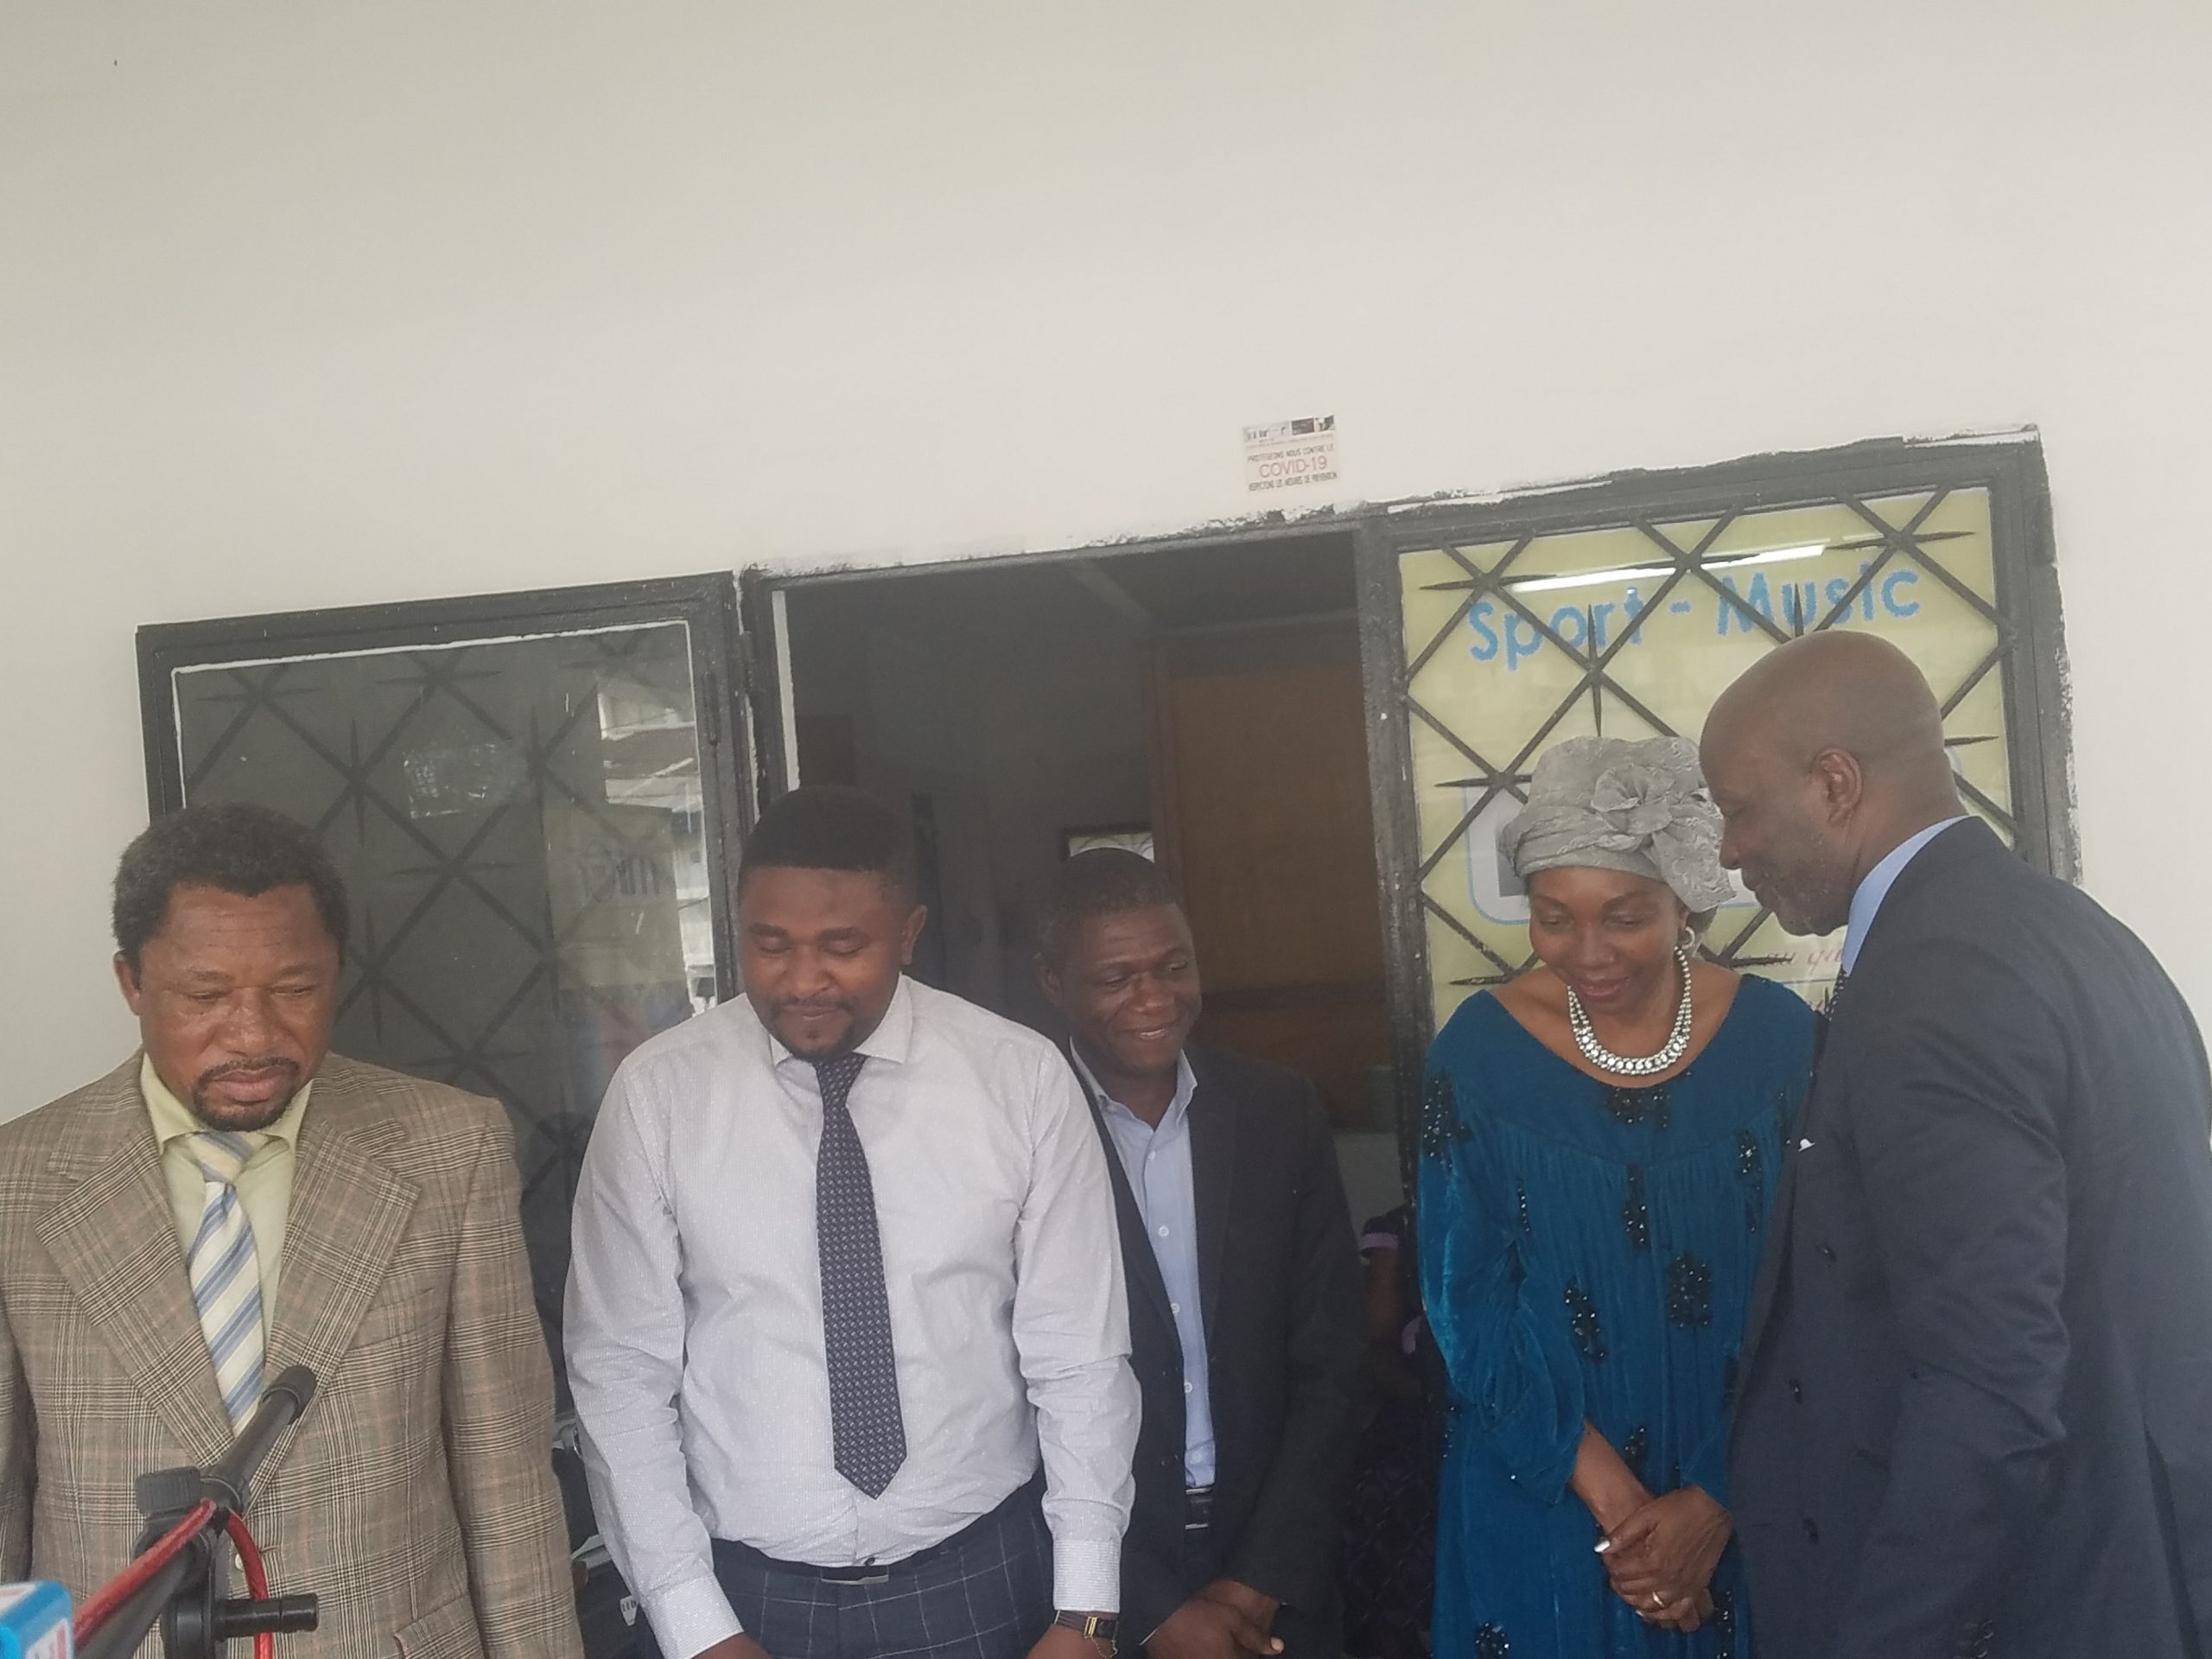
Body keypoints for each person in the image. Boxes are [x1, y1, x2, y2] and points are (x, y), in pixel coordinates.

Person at [1701, 631, 2212, 1659]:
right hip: (2137, 1569)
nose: (1727, 849)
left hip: (2032, 1602)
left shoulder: (1935, 982)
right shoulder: (2079, 934)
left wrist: (1890, 1634)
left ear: (1834, 783)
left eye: (1739, 807)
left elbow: (1990, 1377)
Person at [567, 786, 1138, 1659]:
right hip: (741, 1595)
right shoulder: (659, 1097)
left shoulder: (1018, 1081)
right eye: (770, 945)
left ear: (908, 934)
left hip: (979, 1578)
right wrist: (692, 1623)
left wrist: (1086, 1609)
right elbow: (620, 1373)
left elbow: (1080, 1356)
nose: (803, 981)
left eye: (842, 947)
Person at [0, 803, 582, 1659]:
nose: (254, 1034)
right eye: (206, 995)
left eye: (296, 990)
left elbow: (508, 1483)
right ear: (131, 982)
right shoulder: (17, 1185)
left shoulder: (449, 1152)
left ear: (337, 971)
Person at [1418, 736, 1819, 1659]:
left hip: (1753, 1481)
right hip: (1547, 1484)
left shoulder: (1779, 1042)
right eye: (1553, 919)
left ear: (1685, 905)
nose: (1589, 953)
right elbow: (1463, 1301)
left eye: (1626, 917)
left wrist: (1714, 1498)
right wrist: (1625, 1513)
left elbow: (1821, 1284)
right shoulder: (1478, 1054)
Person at [1035, 851, 1363, 1659]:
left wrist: (1260, 1577)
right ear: (1054, 983)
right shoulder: (1017, 1131)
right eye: (1116, 978)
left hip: (1278, 1562)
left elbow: (1333, 1357)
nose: (1154, 999)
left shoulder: (1278, 1110)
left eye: (1174, 967)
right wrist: (1152, 1610)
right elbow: (996, 1396)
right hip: (1089, 1581)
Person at [1338, 1203, 1443, 1659]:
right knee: (1372, 1488)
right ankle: (1390, 1639)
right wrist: (1427, 1396)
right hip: (1419, 1405)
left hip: (1502, 1411)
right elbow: (1377, 1345)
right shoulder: (1397, 1229)